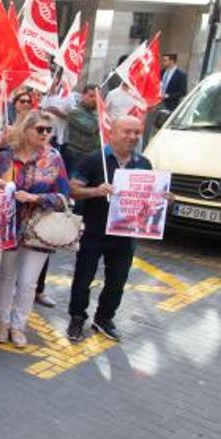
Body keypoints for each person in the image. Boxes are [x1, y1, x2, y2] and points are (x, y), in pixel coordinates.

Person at [66, 116, 153, 343]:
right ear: (111, 133)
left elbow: (146, 198)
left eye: (137, 132)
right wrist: (96, 191)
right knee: (83, 278)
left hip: (125, 233)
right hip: (94, 230)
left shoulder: (143, 163)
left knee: (117, 280)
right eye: (127, 131)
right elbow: (73, 190)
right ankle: (77, 317)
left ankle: (104, 318)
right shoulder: (94, 160)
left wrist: (162, 199)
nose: (133, 137)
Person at [0, 111, 71, 348]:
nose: (45, 134)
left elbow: (64, 196)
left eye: (49, 130)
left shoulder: (55, 159)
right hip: (8, 227)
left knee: (27, 283)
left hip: (39, 229)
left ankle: (19, 325)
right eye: (40, 129)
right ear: (25, 130)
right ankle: (2, 322)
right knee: (6, 277)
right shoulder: (5, 158)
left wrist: (35, 198)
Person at [63, 85, 101, 173]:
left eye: (97, 97)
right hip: (78, 154)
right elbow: (90, 128)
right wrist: (101, 116)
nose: (94, 99)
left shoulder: (96, 112)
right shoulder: (75, 111)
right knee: (75, 183)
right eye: (91, 96)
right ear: (83, 95)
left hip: (94, 153)